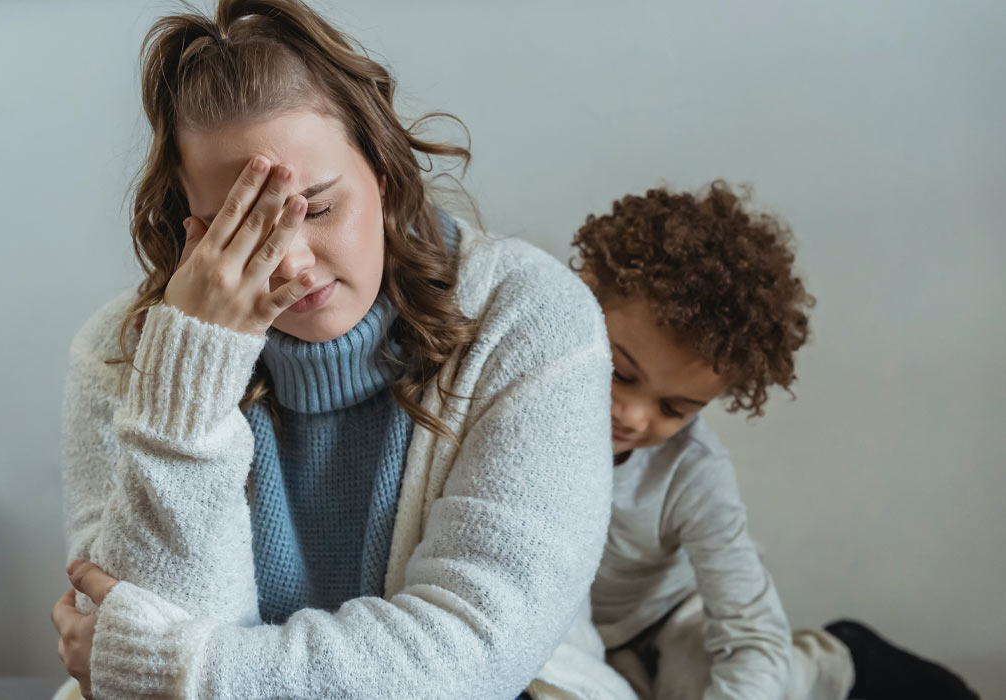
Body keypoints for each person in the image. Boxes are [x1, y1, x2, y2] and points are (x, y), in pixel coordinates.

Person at [48, 1, 633, 699]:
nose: (292, 265)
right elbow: (136, 621)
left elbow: (472, 654)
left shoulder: (531, 319)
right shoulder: (122, 355)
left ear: (381, 173)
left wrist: (183, 671)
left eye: (318, 209)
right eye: (243, 229)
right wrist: (192, 373)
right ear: (194, 227)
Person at [573, 181, 981, 700]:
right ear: (581, 294)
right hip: (582, 636)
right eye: (622, 373)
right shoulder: (514, 399)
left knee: (729, 681)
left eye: (673, 409)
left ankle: (836, 659)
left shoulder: (692, 472)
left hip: (674, 618)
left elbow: (750, 632)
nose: (630, 416)